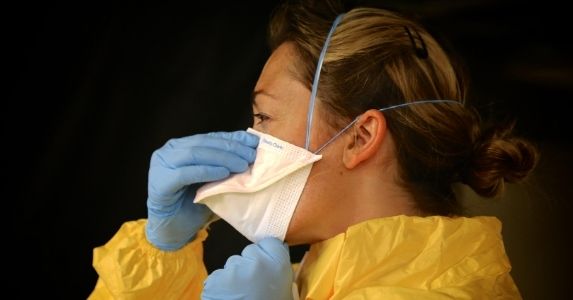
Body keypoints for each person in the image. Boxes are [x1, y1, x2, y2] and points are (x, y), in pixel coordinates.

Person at [89, 0, 538, 299]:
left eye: (263, 117)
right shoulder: (319, 279)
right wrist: (161, 254)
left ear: (360, 138)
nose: (249, 137)